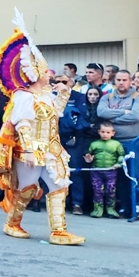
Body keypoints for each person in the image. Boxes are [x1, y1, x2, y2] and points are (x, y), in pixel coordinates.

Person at [0, 10, 84, 245]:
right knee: (27, 189)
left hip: (52, 148)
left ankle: (59, 231)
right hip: (31, 150)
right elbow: (22, 122)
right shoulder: (23, 96)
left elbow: (57, 114)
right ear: (34, 74)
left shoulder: (46, 94)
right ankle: (12, 223)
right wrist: (30, 150)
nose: (49, 74)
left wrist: (64, 94)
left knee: (60, 185)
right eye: (45, 71)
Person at [97, 69, 139, 215]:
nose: (121, 83)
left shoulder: (138, 97)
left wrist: (112, 120)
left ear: (130, 81)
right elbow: (101, 113)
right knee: (118, 175)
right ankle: (125, 205)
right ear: (115, 81)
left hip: (133, 142)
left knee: (134, 174)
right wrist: (124, 112)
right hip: (113, 142)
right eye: (118, 80)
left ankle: (138, 205)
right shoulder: (108, 96)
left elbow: (136, 116)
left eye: (124, 80)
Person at [53, 73, 90, 215]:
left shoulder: (78, 96)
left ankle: (77, 203)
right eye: (57, 81)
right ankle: (58, 201)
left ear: (71, 82)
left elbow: (82, 114)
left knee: (75, 171)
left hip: (75, 138)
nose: (61, 83)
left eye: (64, 81)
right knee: (55, 172)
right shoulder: (50, 96)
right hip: (55, 137)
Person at [84, 122, 126, 218]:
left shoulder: (116, 144)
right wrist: (88, 158)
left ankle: (111, 209)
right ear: (99, 132)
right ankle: (98, 209)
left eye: (108, 132)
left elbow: (122, 155)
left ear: (113, 133)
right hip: (96, 171)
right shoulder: (94, 144)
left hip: (111, 171)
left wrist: (118, 163)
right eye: (102, 132)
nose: (105, 134)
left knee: (110, 190)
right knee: (97, 190)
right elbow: (88, 155)